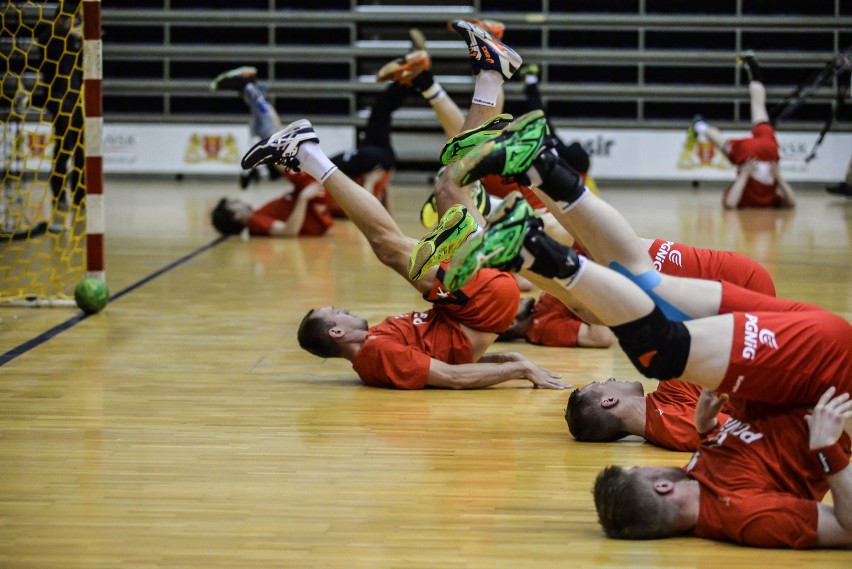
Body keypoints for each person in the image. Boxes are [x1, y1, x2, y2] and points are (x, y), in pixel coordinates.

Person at [441, 110, 851, 409]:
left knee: (620, 285)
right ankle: (524, 231)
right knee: (636, 314)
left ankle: (536, 166)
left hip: (817, 335)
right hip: (802, 343)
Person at [238, 24, 567, 391]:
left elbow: (456, 359)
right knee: (388, 247)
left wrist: (512, 359)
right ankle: (306, 152)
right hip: (479, 304)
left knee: (451, 183)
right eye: (338, 314)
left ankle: (491, 74)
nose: (345, 310)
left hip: (475, 300)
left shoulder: (377, 338)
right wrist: (518, 370)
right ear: (335, 332)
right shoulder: (373, 357)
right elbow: (453, 377)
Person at [591, 388, 852, 548]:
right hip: (834, 404)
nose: (646, 464)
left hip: (788, 387)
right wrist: (827, 449)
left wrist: (708, 427)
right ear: (662, 487)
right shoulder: (748, 517)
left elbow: (747, 463)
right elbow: (846, 527)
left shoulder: (691, 481)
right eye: (639, 469)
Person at [498, 238, 777, 348]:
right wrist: (592, 287)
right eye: (504, 308)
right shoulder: (541, 329)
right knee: (589, 304)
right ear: (509, 325)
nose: (516, 299)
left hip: (735, 292)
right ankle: (538, 176)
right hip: (739, 289)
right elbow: (602, 337)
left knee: (590, 244)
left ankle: (536, 176)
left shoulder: (536, 308)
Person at [688, 52, 796, 209]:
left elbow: (731, 204)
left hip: (766, 151)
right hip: (753, 154)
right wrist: (777, 176)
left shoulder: (762, 198)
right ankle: (700, 125)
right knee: (724, 142)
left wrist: (746, 174)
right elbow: (792, 203)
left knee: (758, 108)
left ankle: (753, 66)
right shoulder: (769, 200)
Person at [22, 1, 85, 230]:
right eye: (68, 19)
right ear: (60, 18)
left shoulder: (75, 41)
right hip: (60, 100)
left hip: (78, 99)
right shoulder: (51, 38)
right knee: (64, 148)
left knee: (81, 149)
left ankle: (80, 195)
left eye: (74, 19)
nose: (71, 23)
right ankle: (59, 195)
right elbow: (47, 39)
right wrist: (70, 32)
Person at [565, 377, 734, 452]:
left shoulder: (668, 390)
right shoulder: (672, 425)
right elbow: (747, 432)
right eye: (602, 383)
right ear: (609, 400)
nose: (611, 378)